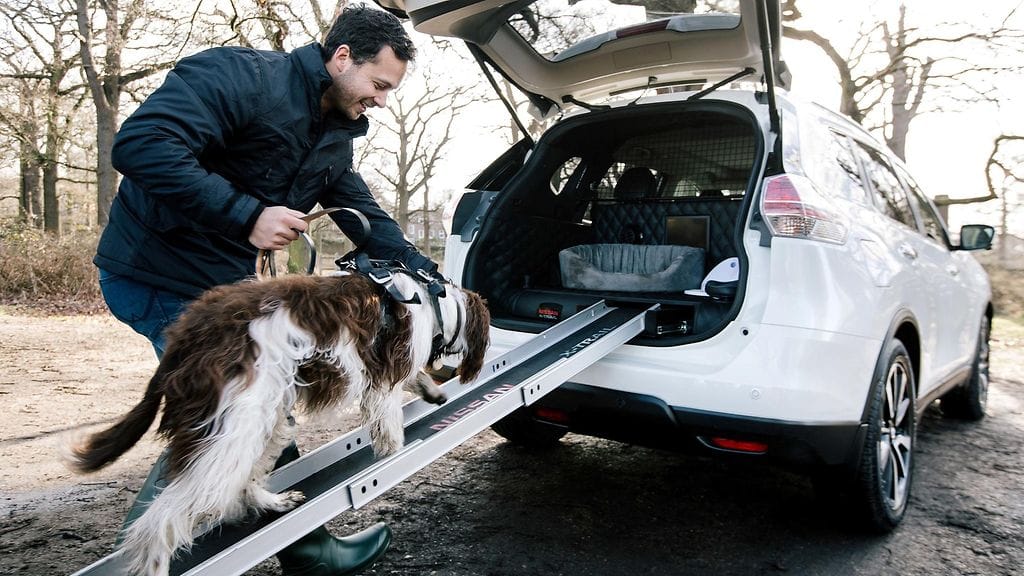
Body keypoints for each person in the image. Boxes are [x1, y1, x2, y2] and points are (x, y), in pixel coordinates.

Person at [94, 5, 435, 575]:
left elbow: (364, 215)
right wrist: (245, 214)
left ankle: (304, 548)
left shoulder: (333, 135)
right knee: (233, 414)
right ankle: (141, 562)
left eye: (389, 91)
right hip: (153, 272)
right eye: (378, 84)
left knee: (264, 404)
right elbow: (141, 145)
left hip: (222, 286)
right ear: (342, 56)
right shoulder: (239, 77)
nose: (381, 100)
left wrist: (422, 270)